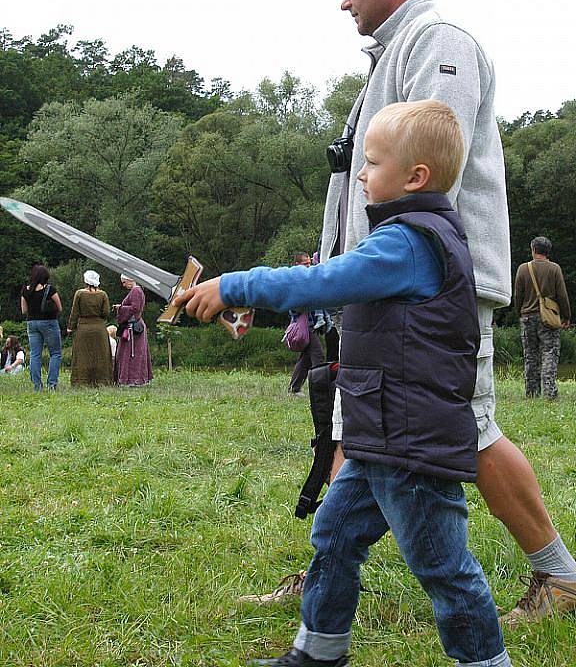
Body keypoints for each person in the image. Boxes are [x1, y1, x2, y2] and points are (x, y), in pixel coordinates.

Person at [262, 0, 576, 625]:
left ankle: (560, 575)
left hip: (431, 292)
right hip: (386, 288)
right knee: (361, 427)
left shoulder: (441, 43)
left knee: (469, 426)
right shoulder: (392, 57)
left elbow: (434, 161)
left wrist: (385, 271)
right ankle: (326, 575)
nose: (341, 1)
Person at [178, 101, 511, 667]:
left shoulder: (406, 242)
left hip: (410, 446)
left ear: (414, 178)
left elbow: (324, 281)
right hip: (380, 435)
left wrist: (236, 286)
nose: (360, 173)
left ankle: (485, 662)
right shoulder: (411, 240)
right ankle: (319, 652)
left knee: (444, 567)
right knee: (333, 536)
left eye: (372, 162)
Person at [514, 237, 571, 400]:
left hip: (527, 317)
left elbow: (518, 295)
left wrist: (520, 312)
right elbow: (562, 295)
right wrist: (566, 316)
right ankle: (549, 394)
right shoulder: (554, 269)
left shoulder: (523, 269)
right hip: (549, 318)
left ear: (533, 249)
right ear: (548, 252)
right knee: (549, 354)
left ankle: (532, 394)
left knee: (530, 356)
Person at [287, 253, 326, 397]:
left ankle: (294, 388)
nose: (309, 266)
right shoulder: (293, 281)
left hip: (312, 323)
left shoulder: (308, 278)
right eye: (305, 264)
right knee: (318, 356)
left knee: (306, 358)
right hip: (304, 325)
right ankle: (320, 390)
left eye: (309, 263)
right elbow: (292, 306)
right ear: (297, 264)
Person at [67, 270, 114, 386]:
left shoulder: (79, 294)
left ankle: (81, 381)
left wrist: (70, 327)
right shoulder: (103, 295)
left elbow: (75, 312)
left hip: (83, 328)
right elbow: (106, 312)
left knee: (82, 355)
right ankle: (102, 381)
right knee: (101, 355)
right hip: (99, 329)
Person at [20, 264, 62, 391]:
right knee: (55, 353)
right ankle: (52, 384)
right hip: (49, 322)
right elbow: (59, 307)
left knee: (35, 354)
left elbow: (24, 310)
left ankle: (37, 385)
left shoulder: (25, 290)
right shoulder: (50, 290)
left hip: (32, 323)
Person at [113, 274, 153, 386]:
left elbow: (135, 308)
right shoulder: (137, 291)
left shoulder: (136, 291)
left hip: (133, 327)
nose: (123, 285)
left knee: (132, 353)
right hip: (134, 325)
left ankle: (132, 379)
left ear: (130, 280)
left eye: (124, 282)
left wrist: (120, 308)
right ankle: (133, 379)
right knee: (133, 352)